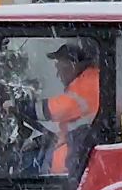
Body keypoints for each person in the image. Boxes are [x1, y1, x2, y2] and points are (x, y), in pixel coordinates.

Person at [8, 39, 100, 174]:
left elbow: (55, 109)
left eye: (60, 67)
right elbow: (72, 127)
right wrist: (46, 139)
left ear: (72, 65)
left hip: (75, 164)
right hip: (77, 155)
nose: (58, 74)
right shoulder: (87, 81)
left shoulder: (89, 83)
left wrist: (21, 107)